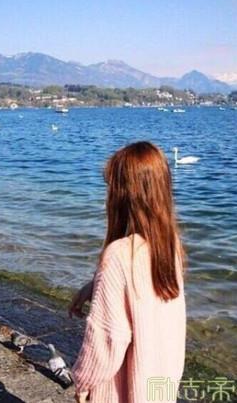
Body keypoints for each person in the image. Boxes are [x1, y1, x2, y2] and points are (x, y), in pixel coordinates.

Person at [69, 141, 186, 403]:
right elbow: (144, 295)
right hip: (160, 383)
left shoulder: (119, 255)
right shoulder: (169, 245)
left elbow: (107, 338)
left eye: (111, 187)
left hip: (123, 391)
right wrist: (95, 286)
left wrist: (83, 381)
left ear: (123, 194)